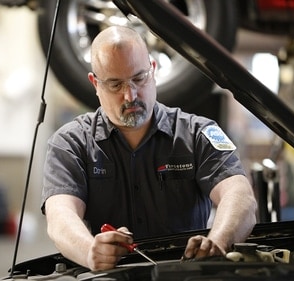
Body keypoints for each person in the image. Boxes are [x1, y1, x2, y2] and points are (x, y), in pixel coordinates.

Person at [41, 25, 257, 271]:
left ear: (153, 70)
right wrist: (90, 251)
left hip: (186, 275)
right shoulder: (70, 144)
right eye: (115, 84)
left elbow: (240, 196)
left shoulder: (198, 133)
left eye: (138, 78)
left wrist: (217, 243)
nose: (130, 95)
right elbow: (60, 217)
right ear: (95, 84)